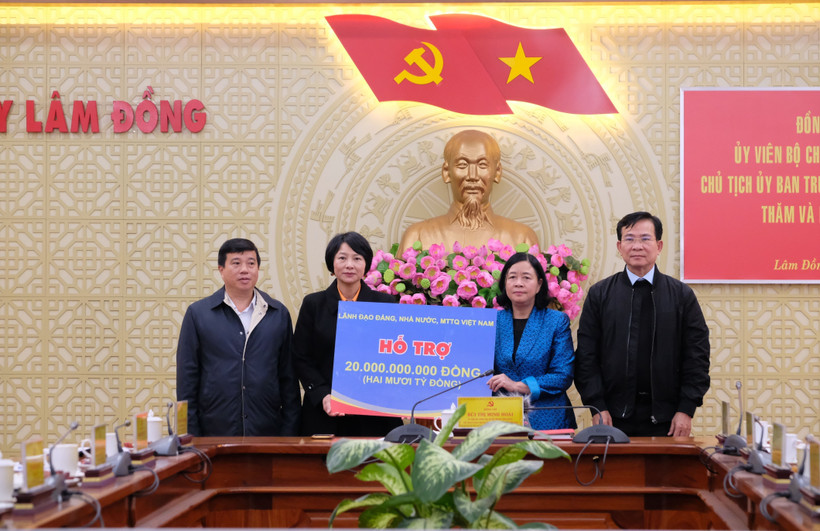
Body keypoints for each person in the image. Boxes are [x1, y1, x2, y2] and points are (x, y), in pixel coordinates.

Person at [574, 212, 710, 437]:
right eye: (629, 239)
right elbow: (587, 355)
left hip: (669, 417)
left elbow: (697, 355)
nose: (637, 246)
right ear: (619, 246)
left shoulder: (681, 295)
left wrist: (687, 409)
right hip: (612, 415)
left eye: (645, 239)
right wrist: (596, 404)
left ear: (659, 246)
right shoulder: (600, 294)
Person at [176, 238, 300, 437]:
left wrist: (289, 433)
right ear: (221, 269)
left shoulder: (278, 314)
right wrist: (190, 437)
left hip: (267, 431)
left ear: (258, 268)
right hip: (214, 432)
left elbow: (289, 381)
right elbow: (186, 383)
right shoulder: (199, 314)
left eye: (251, 263)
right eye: (236, 263)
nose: (245, 270)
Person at [293, 232, 403, 436]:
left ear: (366, 265)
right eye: (342, 258)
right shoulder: (313, 304)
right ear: (332, 264)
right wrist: (323, 394)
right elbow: (301, 357)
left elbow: (396, 354)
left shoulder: (385, 304)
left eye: (357, 258)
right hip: (325, 412)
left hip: (374, 412)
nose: (349, 265)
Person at [399, 130, 539, 251]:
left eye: (482, 165)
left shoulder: (522, 238)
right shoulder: (417, 236)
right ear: (447, 172)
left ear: (497, 172)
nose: (473, 176)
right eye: (462, 164)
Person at [488, 252, 576, 430]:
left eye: (526, 277)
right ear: (505, 283)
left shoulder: (556, 321)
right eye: (512, 277)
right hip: (499, 420)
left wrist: (518, 386)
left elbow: (562, 375)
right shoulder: (491, 322)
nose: (518, 283)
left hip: (548, 420)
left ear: (539, 284)